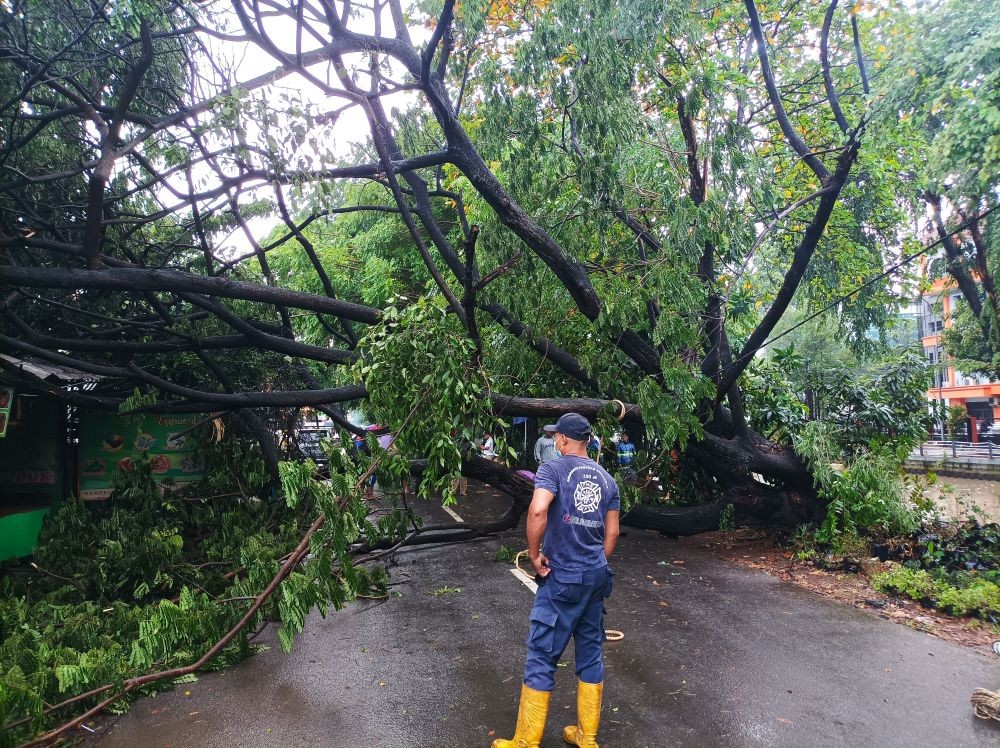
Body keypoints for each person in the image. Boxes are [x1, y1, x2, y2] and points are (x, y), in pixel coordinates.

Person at [493, 413, 620, 748]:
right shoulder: (608, 480)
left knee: (542, 654)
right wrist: (593, 562)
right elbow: (613, 533)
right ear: (589, 441)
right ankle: (587, 738)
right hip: (596, 576)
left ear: (563, 440)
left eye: (556, 437)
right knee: (590, 652)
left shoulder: (552, 469)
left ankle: (526, 742)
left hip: (562, 576)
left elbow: (537, 511)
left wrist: (535, 555)